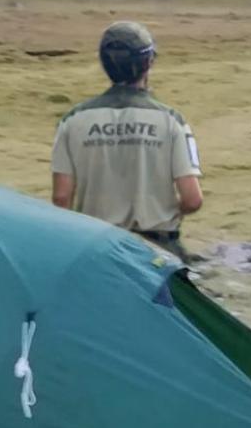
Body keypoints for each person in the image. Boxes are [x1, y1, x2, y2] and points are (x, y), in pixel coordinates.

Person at [51, 21, 203, 261]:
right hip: (157, 247)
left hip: (96, 245)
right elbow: (192, 200)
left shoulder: (72, 121)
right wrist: (164, 212)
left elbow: (61, 199)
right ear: (148, 62)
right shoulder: (172, 121)